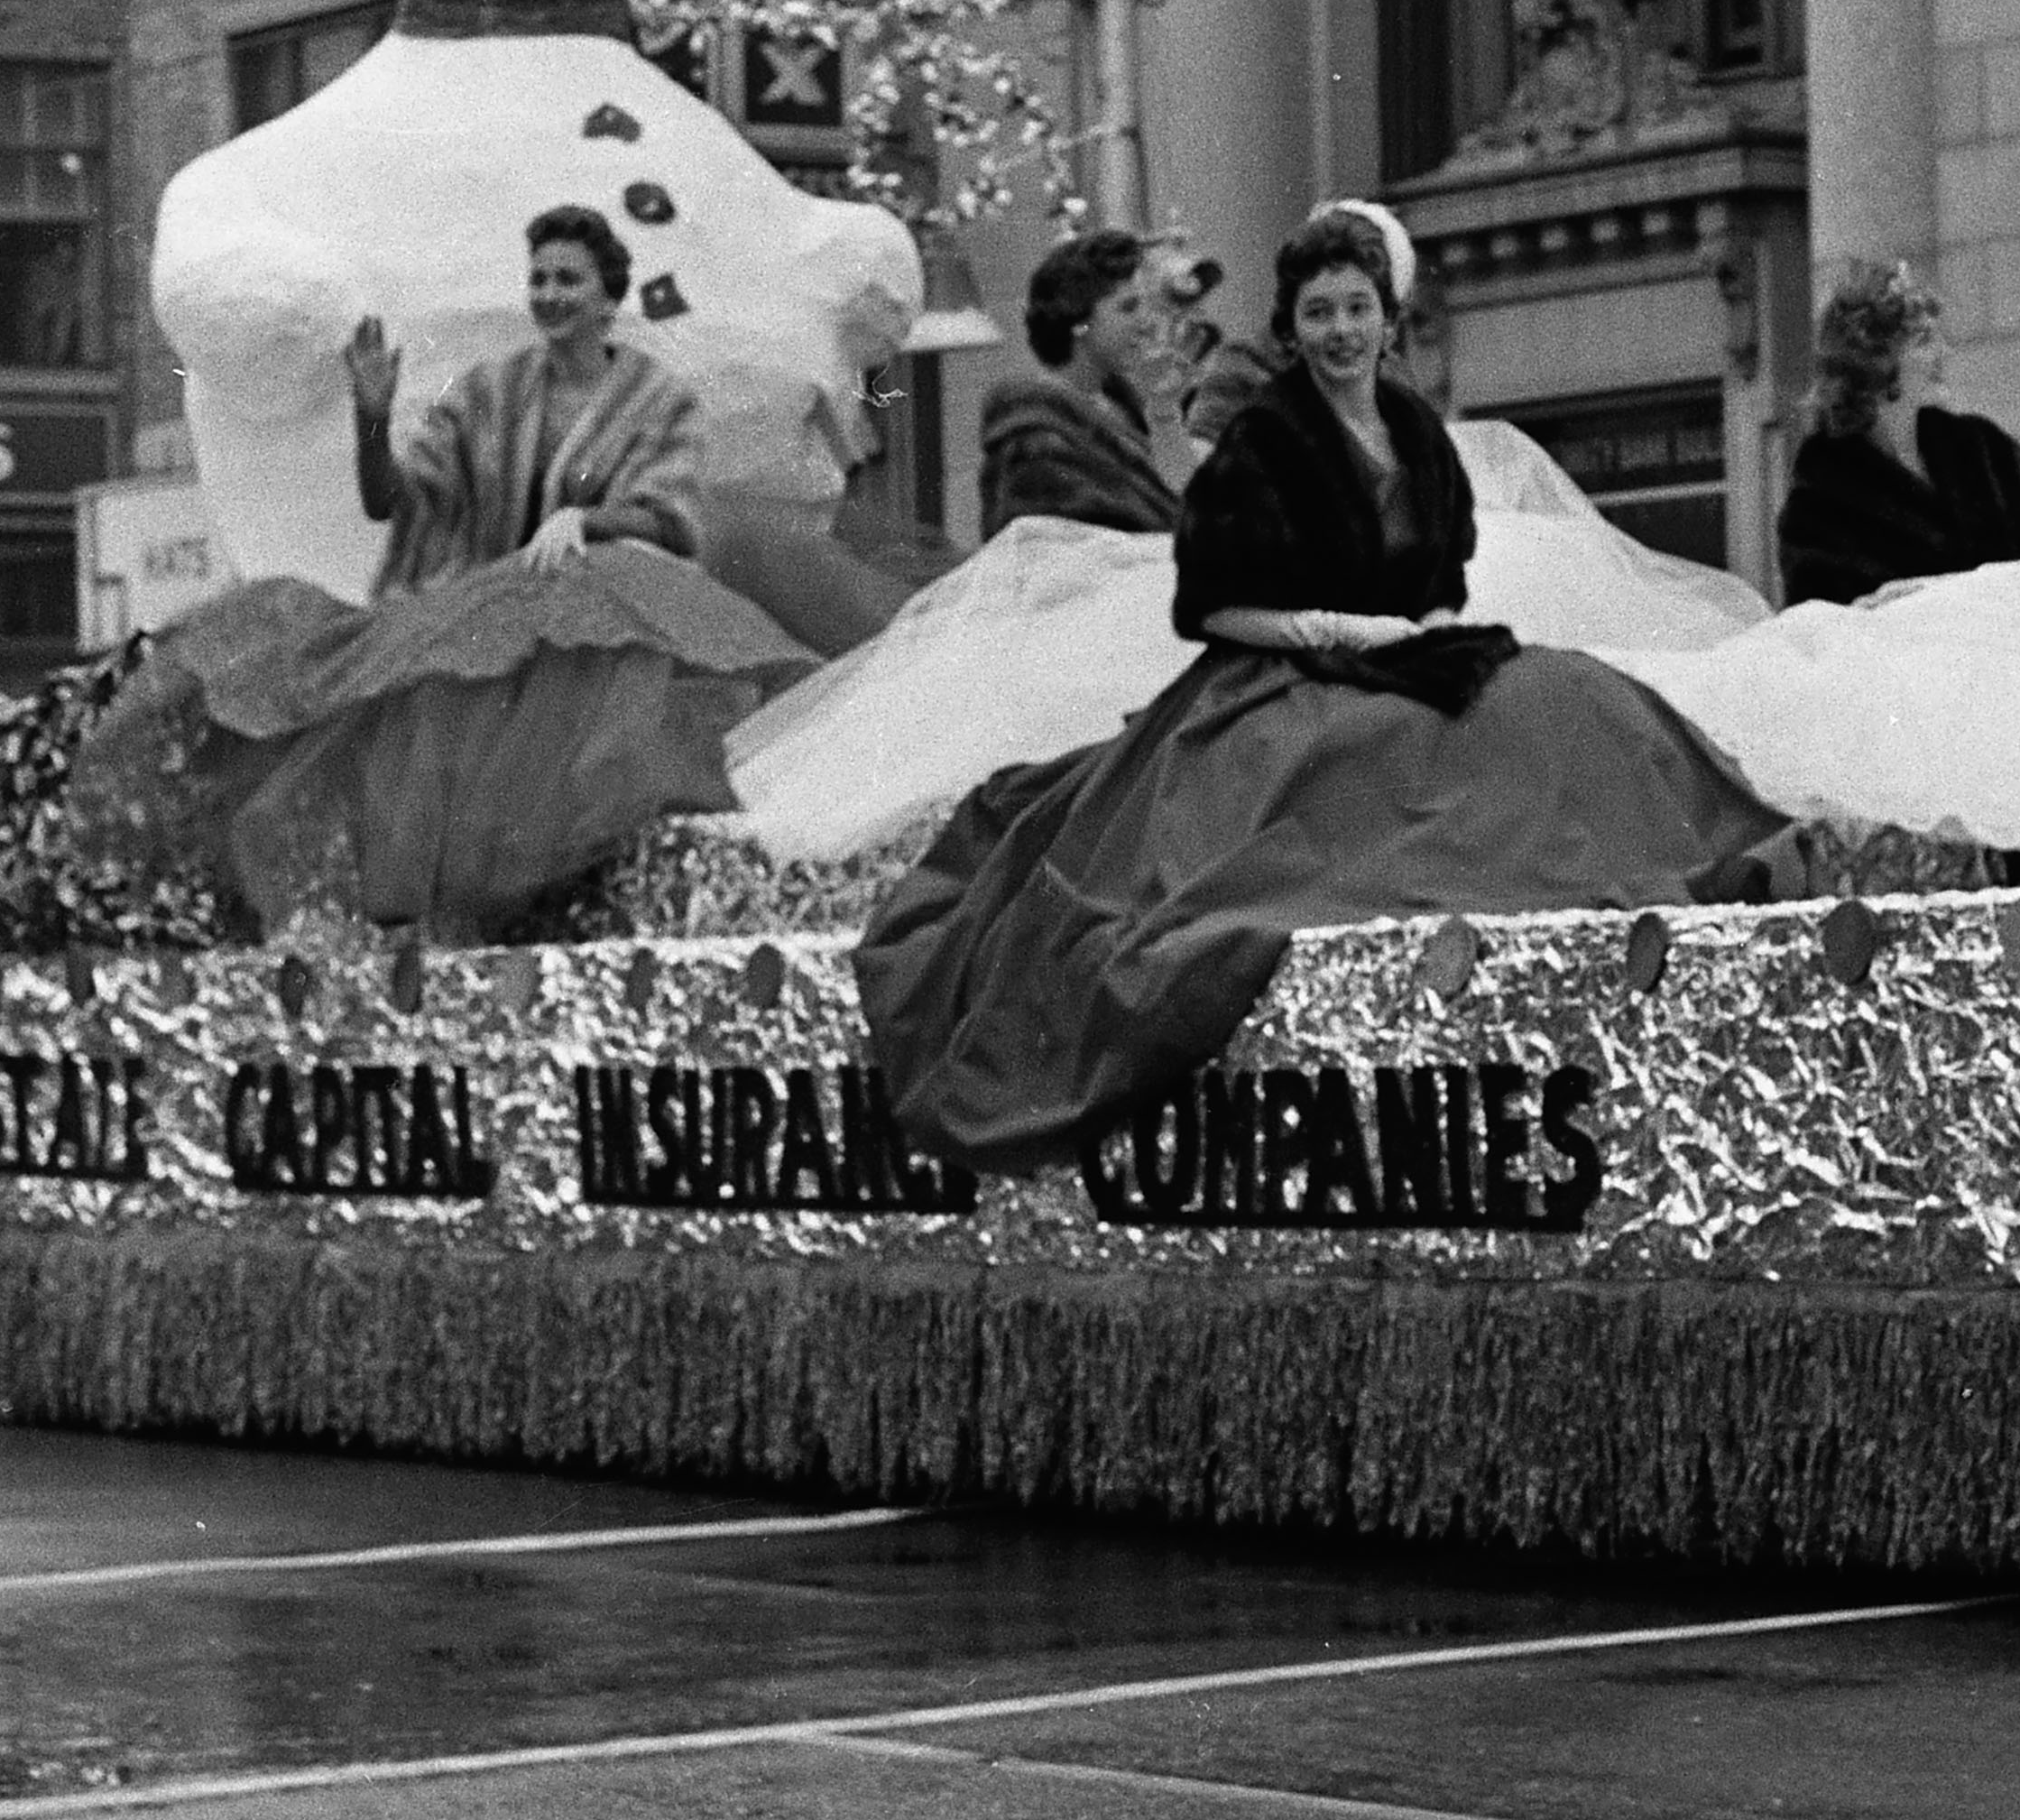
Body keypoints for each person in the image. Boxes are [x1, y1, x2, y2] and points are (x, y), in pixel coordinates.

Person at [856, 202, 1793, 1169]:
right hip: (1278, 679)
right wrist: (1325, 628)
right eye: (1318, 313)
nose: (1340, 331)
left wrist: (1418, 636)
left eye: (1356, 309)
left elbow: (1434, 579)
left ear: (1387, 319)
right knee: (1372, 774)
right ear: (1293, 328)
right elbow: (1214, 602)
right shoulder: (1267, 436)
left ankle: (1684, 848)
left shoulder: (1417, 434)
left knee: (1573, 694)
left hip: (1401, 658)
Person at [107, 202, 829, 936]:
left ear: (609, 297)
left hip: (615, 615)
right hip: (501, 616)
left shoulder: (655, 397)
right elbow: (393, 501)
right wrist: (373, 418)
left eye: (568, 280)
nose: (548, 294)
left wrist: (589, 520)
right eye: (539, 279)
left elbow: (674, 518)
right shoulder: (492, 394)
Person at [1775, 259, 2020, 606]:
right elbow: (1822, 635)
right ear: (1875, 361)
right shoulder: (1821, 501)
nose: (1944, 351)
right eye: (1924, 340)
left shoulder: (1981, 450)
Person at [976, 228, 1188, 540]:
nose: (1146, 322)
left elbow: (1189, 495)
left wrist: (1165, 409)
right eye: (1128, 308)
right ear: (1080, 320)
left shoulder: (1121, 403)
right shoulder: (1036, 436)